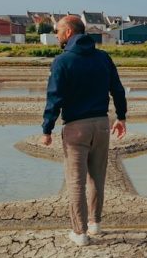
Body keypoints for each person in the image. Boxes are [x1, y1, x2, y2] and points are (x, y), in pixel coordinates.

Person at [40, 15, 127, 246]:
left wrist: (47, 129)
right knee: (97, 178)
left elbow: (54, 98)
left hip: (76, 128)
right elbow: (117, 89)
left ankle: (80, 233)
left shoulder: (62, 61)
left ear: (68, 32)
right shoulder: (103, 57)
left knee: (75, 182)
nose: (56, 34)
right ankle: (95, 224)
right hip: (101, 125)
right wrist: (121, 117)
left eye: (58, 30)